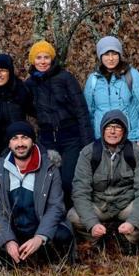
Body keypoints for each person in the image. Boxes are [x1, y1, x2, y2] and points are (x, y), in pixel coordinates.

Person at [68, 110, 139, 255]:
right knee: (73, 216)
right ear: (102, 130)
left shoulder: (136, 153)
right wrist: (92, 224)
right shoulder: (88, 153)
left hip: (125, 204)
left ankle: (129, 241)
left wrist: (133, 222)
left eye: (118, 127)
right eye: (109, 127)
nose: (113, 132)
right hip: (99, 204)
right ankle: (94, 242)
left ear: (125, 131)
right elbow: (80, 191)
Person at [0, 121, 74, 265]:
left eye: (24, 137)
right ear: (9, 144)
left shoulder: (49, 168)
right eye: (15, 138)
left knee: (63, 236)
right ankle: (14, 262)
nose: (20, 143)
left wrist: (40, 236)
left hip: (39, 226)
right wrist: (8, 240)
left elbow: (56, 207)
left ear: (33, 141)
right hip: (13, 230)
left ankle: (49, 264)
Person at [25, 40, 94, 205]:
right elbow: (28, 108)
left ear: (52, 59)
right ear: (33, 61)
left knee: (68, 180)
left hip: (70, 136)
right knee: (48, 182)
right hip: (47, 138)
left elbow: (81, 111)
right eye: (39, 58)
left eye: (46, 57)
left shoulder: (65, 78)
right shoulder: (29, 84)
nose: (42, 62)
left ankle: (73, 215)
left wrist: (87, 144)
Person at [84, 36, 139, 151]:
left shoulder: (132, 75)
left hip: (129, 138)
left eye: (114, 54)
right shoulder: (93, 80)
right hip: (101, 140)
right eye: (106, 54)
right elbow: (88, 112)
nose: (110, 58)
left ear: (119, 55)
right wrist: (90, 139)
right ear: (100, 56)